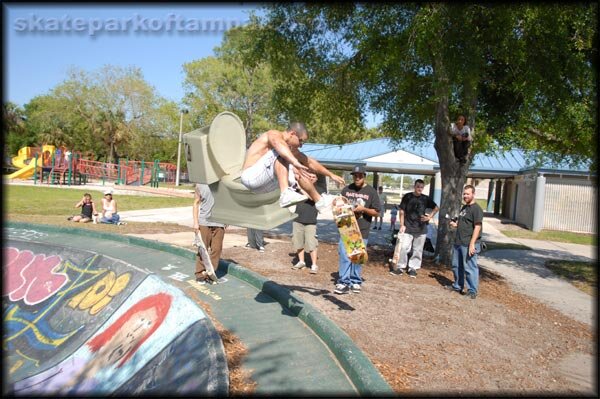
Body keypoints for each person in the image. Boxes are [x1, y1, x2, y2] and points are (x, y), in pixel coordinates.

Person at [240, 122, 345, 211]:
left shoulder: (289, 149)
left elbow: (310, 162)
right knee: (284, 154)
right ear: (292, 133)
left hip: (264, 187)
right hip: (250, 177)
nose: (301, 145)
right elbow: (278, 144)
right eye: (301, 140)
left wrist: (331, 175)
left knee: (301, 172)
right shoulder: (273, 134)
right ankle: (286, 194)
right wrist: (294, 162)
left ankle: (319, 201)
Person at [334, 165, 380, 294]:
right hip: (346, 228)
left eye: (360, 175)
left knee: (358, 257)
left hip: (362, 229)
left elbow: (377, 212)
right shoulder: (346, 190)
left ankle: (355, 281)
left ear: (364, 176)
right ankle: (343, 282)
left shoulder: (371, 192)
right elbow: (339, 206)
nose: (357, 177)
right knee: (344, 255)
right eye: (355, 175)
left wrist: (363, 209)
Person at [390, 179, 439, 278]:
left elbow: (436, 207)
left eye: (421, 187)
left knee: (418, 250)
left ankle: (413, 268)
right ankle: (400, 267)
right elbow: (402, 211)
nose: (419, 189)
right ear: (414, 186)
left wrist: (430, 216)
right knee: (403, 247)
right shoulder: (407, 197)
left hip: (421, 229)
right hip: (408, 227)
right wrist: (402, 225)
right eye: (418, 187)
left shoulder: (426, 199)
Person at [445, 184, 483, 299]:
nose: (465, 196)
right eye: (464, 194)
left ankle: (472, 291)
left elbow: (477, 227)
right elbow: (464, 224)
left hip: (468, 244)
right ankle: (458, 286)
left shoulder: (476, 209)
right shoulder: (464, 208)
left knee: (470, 268)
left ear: (473, 194)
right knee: (457, 266)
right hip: (459, 242)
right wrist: (455, 224)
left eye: (467, 194)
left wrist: (472, 244)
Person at [290, 174, 325, 274]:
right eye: (309, 177)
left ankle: (314, 265)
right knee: (298, 242)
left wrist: (301, 188)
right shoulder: (298, 186)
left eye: (314, 177)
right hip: (297, 219)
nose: (311, 178)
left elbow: (311, 197)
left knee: (312, 243)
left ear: (317, 178)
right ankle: (301, 261)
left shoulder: (319, 189)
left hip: (311, 221)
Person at [193, 183, 226, 284]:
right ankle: (199, 274)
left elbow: (228, 203)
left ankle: (211, 274)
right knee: (203, 249)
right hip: (204, 222)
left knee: (217, 249)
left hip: (219, 222)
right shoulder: (200, 185)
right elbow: (196, 203)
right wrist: (195, 222)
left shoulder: (223, 185)